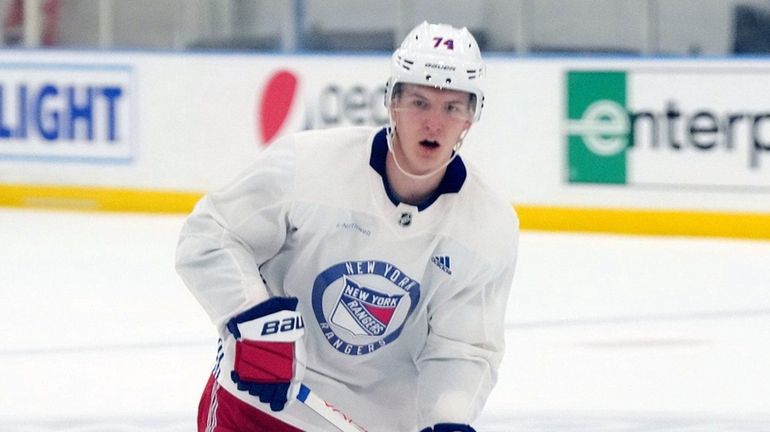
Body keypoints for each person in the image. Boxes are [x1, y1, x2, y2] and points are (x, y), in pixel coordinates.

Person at [176, 21, 519, 432]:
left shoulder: (487, 225)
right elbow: (211, 233)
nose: (434, 122)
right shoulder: (308, 165)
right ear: (392, 102)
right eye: (420, 102)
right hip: (260, 407)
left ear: (470, 117)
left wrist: (449, 418)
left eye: (452, 107)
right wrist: (252, 317)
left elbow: (463, 347)